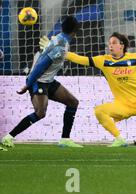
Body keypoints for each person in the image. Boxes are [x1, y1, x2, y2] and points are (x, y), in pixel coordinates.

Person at [1, 16, 83, 149]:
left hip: (48, 81)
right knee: (40, 113)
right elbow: (40, 66)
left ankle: (65, 139)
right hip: (38, 81)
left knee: (73, 102)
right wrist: (27, 85)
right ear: (75, 31)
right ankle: (8, 137)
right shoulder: (61, 46)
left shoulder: (59, 38)